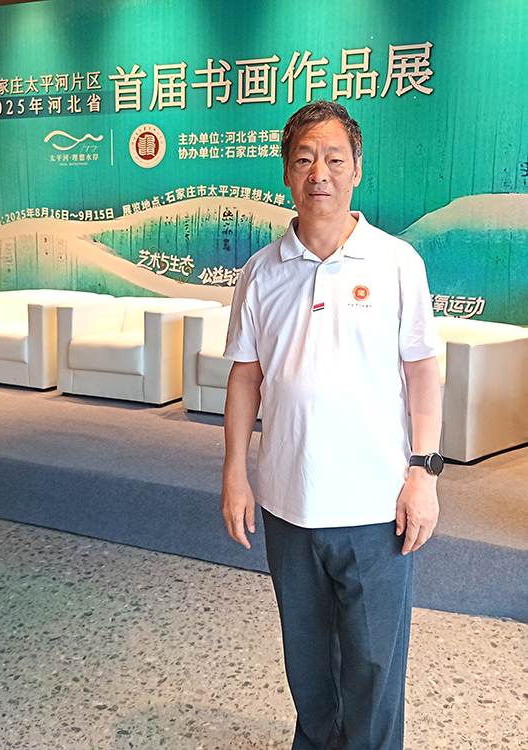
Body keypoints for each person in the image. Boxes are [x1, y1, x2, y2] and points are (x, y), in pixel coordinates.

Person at [221, 101, 443, 750]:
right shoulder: (260, 272)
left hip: (376, 507)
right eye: (304, 159)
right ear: (286, 173)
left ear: (356, 170)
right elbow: (245, 378)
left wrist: (424, 473)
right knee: (309, 667)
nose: (319, 172)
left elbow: (423, 372)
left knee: (374, 669)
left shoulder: (396, 263)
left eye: (334, 159)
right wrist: (235, 473)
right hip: (288, 507)